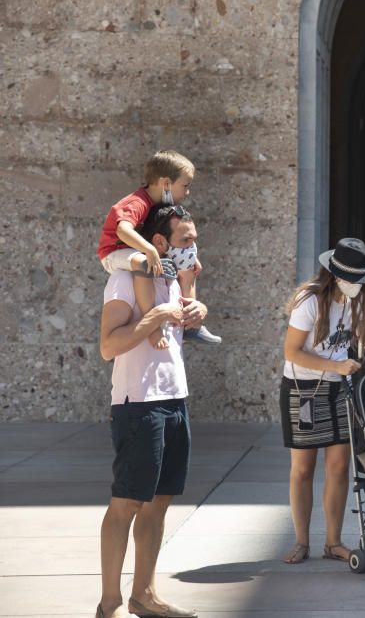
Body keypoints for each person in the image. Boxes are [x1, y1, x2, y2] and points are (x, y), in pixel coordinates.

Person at [97, 205, 207, 618]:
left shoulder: (172, 279)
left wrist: (196, 310)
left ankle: (144, 595)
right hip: (137, 405)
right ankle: (109, 603)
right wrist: (154, 318)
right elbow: (108, 346)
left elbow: (179, 328)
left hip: (174, 399)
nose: (192, 248)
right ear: (158, 242)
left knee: (159, 502)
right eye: (184, 240)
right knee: (125, 502)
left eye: (194, 239)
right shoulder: (125, 279)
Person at [280, 238, 365, 564]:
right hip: (303, 389)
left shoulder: (359, 299)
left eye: (359, 279)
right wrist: (334, 365)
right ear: (334, 274)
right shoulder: (308, 300)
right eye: (350, 279)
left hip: (340, 389)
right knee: (303, 469)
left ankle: (333, 542)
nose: (355, 285)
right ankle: (301, 540)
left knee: (339, 467)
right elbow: (292, 351)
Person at [96, 150, 220, 348]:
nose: (187, 192)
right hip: (113, 253)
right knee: (144, 263)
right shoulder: (137, 202)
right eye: (185, 186)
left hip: (132, 251)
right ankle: (152, 326)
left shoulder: (155, 204)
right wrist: (149, 251)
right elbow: (122, 230)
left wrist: (189, 256)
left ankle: (190, 325)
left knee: (187, 264)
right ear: (166, 184)